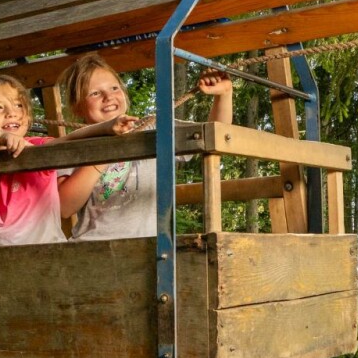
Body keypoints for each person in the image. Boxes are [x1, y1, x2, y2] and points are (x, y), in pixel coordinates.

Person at [0, 73, 137, 247]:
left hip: (46, 251)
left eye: (18, 105)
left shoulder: (37, 145)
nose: (12, 112)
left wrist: (107, 127)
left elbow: (69, 138)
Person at [56, 54, 233, 240]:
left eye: (114, 88)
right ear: (78, 107)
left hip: (153, 252)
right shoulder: (73, 145)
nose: (108, 97)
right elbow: (65, 208)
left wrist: (224, 95)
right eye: (95, 93)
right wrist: (106, 152)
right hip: (93, 252)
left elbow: (215, 134)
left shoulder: (151, 127)